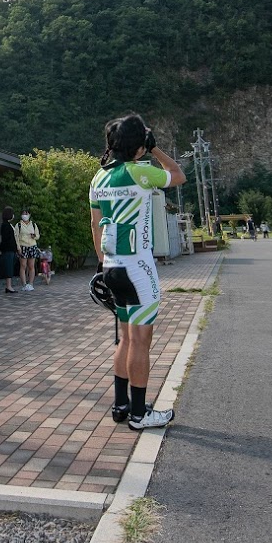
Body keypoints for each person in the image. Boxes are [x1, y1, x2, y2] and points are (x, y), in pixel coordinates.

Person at [89, 115, 188, 431]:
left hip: (112, 267)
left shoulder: (98, 179)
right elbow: (178, 175)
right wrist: (155, 150)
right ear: (139, 145)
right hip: (139, 268)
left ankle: (121, 406)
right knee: (140, 341)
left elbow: (94, 224)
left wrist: (102, 264)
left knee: (126, 339)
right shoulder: (141, 172)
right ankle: (139, 414)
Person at [15, 210, 41, 292]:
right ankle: (24, 284)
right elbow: (16, 237)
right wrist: (18, 248)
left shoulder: (33, 224)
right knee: (23, 265)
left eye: (26, 214)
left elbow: (38, 236)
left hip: (32, 246)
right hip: (23, 246)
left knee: (31, 266)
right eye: (23, 214)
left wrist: (34, 236)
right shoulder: (18, 225)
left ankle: (31, 284)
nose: (24, 215)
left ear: (29, 215)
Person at [0, 206, 19, 294]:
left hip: (10, 250)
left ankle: (9, 286)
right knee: (9, 268)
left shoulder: (7, 225)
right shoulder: (6, 225)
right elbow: (6, 239)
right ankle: (9, 286)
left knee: (10, 267)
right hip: (8, 249)